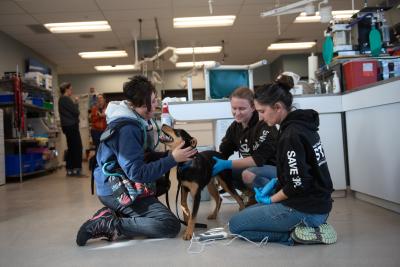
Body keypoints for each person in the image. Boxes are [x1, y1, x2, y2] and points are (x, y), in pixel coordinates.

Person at [76, 75, 197, 246]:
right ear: (142, 103)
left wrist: (171, 156)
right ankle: (111, 223)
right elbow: (137, 173)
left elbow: (142, 157)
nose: (156, 105)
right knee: (169, 225)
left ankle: (119, 214)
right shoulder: (128, 129)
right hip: (115, 190)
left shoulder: (132, 121)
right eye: (154, 101)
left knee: (161, 183)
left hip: (114, 182)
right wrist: (172, 159)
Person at [228, 74, 337, 245]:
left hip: (307, 208)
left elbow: (297, 184)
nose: (261, 118)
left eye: (262, 111)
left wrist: (271, 199)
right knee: (247, 214)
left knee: (235, 226)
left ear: (277, 107)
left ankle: (297, 234)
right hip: (319, 205)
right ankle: (310, 226)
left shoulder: (290, 135)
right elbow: (303, 170)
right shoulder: (302, 126)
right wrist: (277, 183)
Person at [211, 87, 278, 204]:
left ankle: (273, 198)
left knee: (247, 174)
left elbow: (258, 160)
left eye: (242, 109)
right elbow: (224, 151)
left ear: (253, 107)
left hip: (275, 170)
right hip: (254, 169)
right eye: (234, 108)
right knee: (223, 172)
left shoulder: (264, 125)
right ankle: (252, 193)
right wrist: (208, 161)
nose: (237, 113)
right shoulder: (235, 127)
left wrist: (228, 164)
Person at [58, 82, 85, 177]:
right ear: (66, 89)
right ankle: (77, 169)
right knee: (77, 147)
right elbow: (76, 112)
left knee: (72, 147)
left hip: (67, 126)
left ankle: (70, 169)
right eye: (70, 89)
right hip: (71, 126)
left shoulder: (61, 100)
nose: (71, 91)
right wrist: (76, 103)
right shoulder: (66, 99)